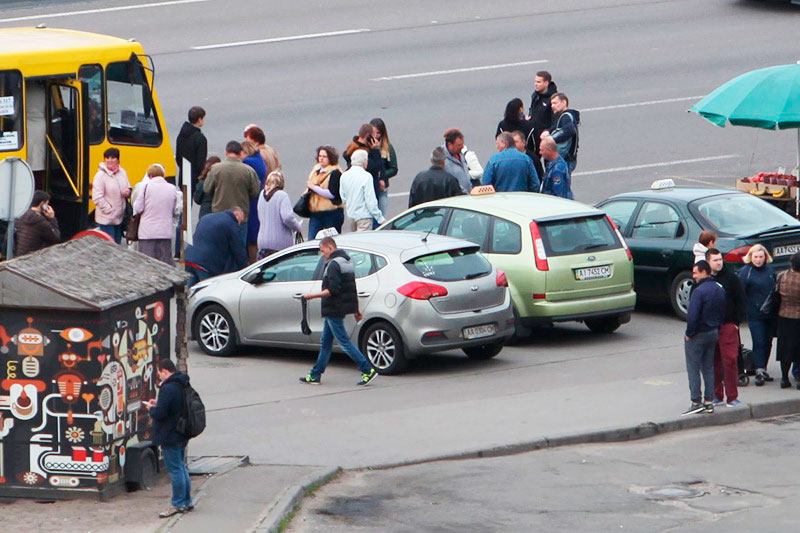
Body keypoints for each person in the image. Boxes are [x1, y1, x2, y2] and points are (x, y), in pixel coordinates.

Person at [299, 236, 378, 386]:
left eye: (323, 251)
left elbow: (333, 290)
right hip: (338, 308)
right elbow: (350, 288)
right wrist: (356, 309)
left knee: (344, 342)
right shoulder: (347, 261)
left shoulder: (334, 264)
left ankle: (367, 369)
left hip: (333, 308)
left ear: (330, 247)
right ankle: (315, 374)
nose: (322, 254)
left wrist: (311, 296)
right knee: (326, 343)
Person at [144, 359, 192, 517]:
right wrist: (159, 403)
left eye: (159, 373)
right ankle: (187, 501)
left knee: (176, 469)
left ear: (164, 371)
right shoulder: (181, 383)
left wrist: (152, 409)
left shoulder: (168, 388)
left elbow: (161, 414)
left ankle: (177, 504)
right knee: (182, 467)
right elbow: (174, 405)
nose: (159, 377)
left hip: (169, 434)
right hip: (182, 431)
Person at [682, 260, 725, 415]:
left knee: (693, 367)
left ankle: (695, 401)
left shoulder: (699, 292)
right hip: (713, 332)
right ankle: (709, 401)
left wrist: (689, 333)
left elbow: (692, 316)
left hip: (698, 333)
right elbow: (722, 311)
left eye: (695, 273)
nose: (693, 276)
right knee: (708, 368)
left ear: (704, 272)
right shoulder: (719, 289)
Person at [706, 248, 746, 406]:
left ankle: (732, 397)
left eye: (720, 259)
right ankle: (717, 395)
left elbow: (741, 300)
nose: (719, 263)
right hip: (710, 327)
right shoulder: (705, 279)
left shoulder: (731, 278)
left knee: (729, 360)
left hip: (728, 325)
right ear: (708, 261)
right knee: (713, 361)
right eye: (715, 260)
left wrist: (736, 322)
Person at [202, 141, 260, 245]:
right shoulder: (248, 171)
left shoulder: (216, 169)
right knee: (238, 247)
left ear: (226, 152)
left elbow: (207, 188)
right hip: (240, 215)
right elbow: (255, 192)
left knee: (220, 246)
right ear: (240, 153)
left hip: (219, 214)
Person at [739, 244, 777, 386]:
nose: (758, 260)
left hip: (770, 313)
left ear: (765, 257)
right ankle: (759, 370)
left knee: (768, 342)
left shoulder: (770, 270)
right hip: (754, 314)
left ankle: (763, 368)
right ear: (750, 257)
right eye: (755, 257)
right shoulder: (746, 271)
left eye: (761, 257)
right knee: (759, 340)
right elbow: (740, 292)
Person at [184, 207, 248, 286]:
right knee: (209, 292)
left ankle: (185, 297)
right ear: (237, 214)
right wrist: (246, 270)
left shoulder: (207, 217)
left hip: (189, 258)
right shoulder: (231, 224)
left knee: (190, 288)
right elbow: (239, 251)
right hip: (206, 264)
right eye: (240, 221)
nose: (239, 224)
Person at [133, 164, 179, 266]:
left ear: (150, 176)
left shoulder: (145, 187)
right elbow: (175, 209)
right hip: (165, 231)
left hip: (147, 232)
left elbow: (138, 208)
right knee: (165, 263)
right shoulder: (172, 188)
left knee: (147, 263)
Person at [256, 170, 302, 259]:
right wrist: (297, 227)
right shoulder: (282, 195)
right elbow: (287, 217)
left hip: (262, 241)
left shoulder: (261, 195)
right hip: (279, 243)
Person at [92, 147, 131, 244]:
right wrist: (109, 210)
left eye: (113, 157)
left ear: (118, 159)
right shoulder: (100, 175)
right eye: (107, 157)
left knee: (117, 244)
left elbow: (128, 186)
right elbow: (97, 197)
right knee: (109, 246)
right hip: (107, 218)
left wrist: (128, 191)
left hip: (120, 217)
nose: (109, 160)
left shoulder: (122, 172)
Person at [339, 149, 384, 231]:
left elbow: (343, 197)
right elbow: (370, 201)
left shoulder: (344, 176)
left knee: (353, 240)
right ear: (364, 162)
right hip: (364, 216)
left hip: (351, 215)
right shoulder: (366, 176)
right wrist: (380, 218)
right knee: (363, 240)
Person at [307, 146, 344, 240]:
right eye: (320, 156)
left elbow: (332, 193)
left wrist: (314, 188)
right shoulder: (316, 171)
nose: (321, 159)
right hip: (316, 212)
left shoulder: (335, 173)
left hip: (331, 212)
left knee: (331, 240)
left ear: (330, 158)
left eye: (324, 156)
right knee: (311, 240)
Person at [343, 124, 385, 201]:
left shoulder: (352, 147)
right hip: (367, 191)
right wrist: (375, 150)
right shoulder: (362, 152)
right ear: (368, 136)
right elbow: (375, 167)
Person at [777, 252, 800, 389]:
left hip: (784, 316)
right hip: (798, 317)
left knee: (785, 349)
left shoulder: (782, 276)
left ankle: (784, 379)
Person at [528, 71, 558, 178]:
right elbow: (532, 111)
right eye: (535, 81)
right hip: (534, 137)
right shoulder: (535, 95)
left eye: (539, 82)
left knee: (548, 164)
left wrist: (548, 131)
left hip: (546, 138)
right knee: (534, 163)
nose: (536, 84)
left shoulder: (552, 100)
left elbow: (555, 120)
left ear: (546, 83)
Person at [242, 140, 268, 263]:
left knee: (250, 234)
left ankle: (251, 262)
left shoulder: (248, 162)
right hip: (258, 198)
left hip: (250, 202)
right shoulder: (260, 160)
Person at [541, 92, 579, 173]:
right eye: (551, 104)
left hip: (565, 159)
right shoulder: (560, 116)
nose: (552, 106)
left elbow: (570, 130)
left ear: (564, 103)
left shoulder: (565, 117)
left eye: (555, 103)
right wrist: (548, 131)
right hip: (565, 159)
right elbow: (555, 127)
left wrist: (552, 139)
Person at [14, 190, 60, 256]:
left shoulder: (20, 216)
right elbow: (56, 238)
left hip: (18, 256)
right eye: (47, 204)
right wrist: (52, 218)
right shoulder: (41, 222)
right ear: (42, 204)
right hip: (31, 258)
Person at [175, 106, 207, 195]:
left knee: (185, 203)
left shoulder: (181, 135)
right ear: (199, 119)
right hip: (194, 178)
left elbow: (178, 157)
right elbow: (200, 161)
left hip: (183, 175)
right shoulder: (200, 138)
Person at [370, 118, 398, 218]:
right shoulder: (366, 146)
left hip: (382, 189)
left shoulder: (387, 148)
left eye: (378, 133)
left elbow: (394, 168)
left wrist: (382, 177)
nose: (375, 136)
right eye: (373, 132)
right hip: (369, 188)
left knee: (382, 217)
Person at [442, 128, 473, 194]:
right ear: (450, 144)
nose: (462, 147)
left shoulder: (460, 154)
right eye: (459, 145)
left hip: (467, 197)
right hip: (455, 198)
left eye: (462, 144)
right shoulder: (442, 160)